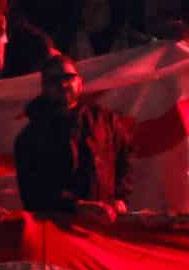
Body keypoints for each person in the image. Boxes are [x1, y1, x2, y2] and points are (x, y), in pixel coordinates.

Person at [13, 51, 133, 217]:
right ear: (44, 87)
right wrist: (74, 206)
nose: (62, 85)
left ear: (80, 81)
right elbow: (32, 192)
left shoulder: (105, 121)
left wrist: (121, 197)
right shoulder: (30, 137)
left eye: (68, 77)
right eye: (54, 80)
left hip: (105, 221)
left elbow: (124, 159)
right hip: (58, 228)